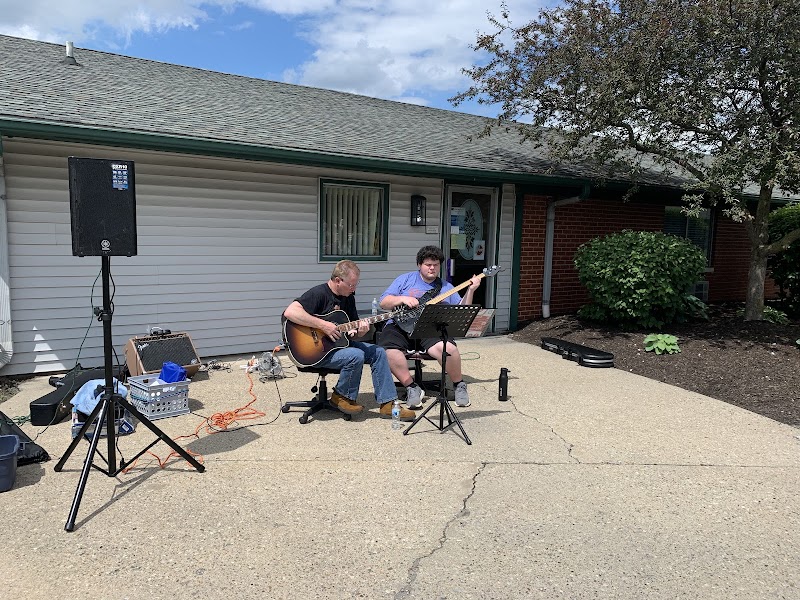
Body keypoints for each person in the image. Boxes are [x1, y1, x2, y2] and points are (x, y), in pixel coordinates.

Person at [283, 260, 416, 421]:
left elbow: (352, 332)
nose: (354, 289)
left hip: (338, 347)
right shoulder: (319, 293)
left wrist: (359, 331)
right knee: (355, 354)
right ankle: (341, 397)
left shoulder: (348, 298)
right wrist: (323, 325)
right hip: (314, 352)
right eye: (351, 285)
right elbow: (290, 312)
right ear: (338, 280)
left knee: (379, 351)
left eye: (356, 284)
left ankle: (388, 404)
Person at [378, 246, 482, 408]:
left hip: (429, 327)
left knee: (448, 349)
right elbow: (384, 302)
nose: (432, 268)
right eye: (428, 264)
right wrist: (403, 299)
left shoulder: (447, 287)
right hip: (399, 325)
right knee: (386, 351)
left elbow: (463, 309)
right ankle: (412, 387)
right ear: (419, 264)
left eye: (435, 264)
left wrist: (471, 290)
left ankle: (459, 385)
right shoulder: (405, 280)